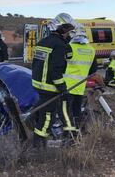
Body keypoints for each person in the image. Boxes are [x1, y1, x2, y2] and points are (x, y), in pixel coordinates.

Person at [31, 13, 77, 147]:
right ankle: (38, 147)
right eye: (68, 31)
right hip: (49, 87)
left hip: (38, 84)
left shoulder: (43, 42)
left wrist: (66, 44)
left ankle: (37, 141)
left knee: (42, 112)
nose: (69, 34)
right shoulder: (59, 46)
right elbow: (55, 71)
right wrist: (64, 90)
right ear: (63, 29)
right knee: (47, 118)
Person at [63, 26, 98, 128]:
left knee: (65, 111)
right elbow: (93, 71)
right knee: (76, 109)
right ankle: (77, 130)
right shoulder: (91, 50)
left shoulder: (69, 47)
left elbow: (60, 65)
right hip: (80, 86)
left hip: (66, 86)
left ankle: (68, 132)